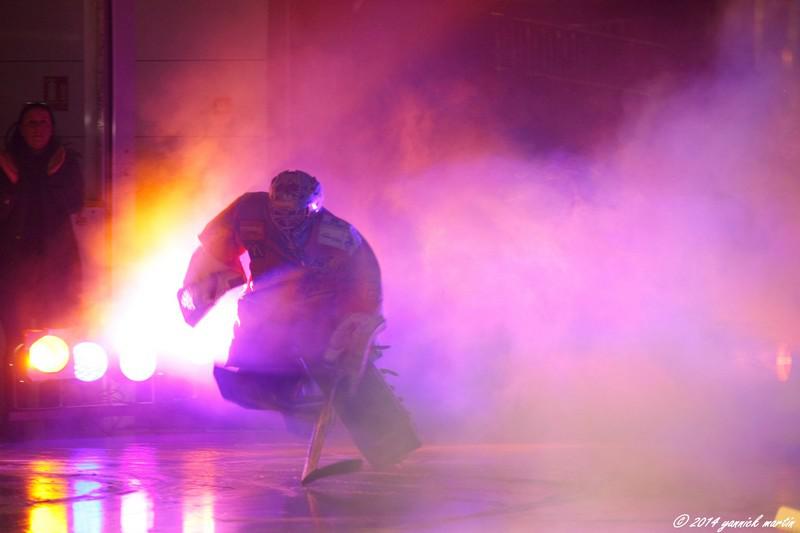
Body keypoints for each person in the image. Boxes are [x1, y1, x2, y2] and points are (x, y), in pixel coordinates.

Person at [178, 170, 419, 467]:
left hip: (322, 311)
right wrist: (201, 289)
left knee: (346, 374)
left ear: (312, 209)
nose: (286, 220)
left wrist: (359, 327)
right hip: (266, 306)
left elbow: (366, 280)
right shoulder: (249, 212)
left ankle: (389, 442)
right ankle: (300, 402)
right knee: (245, 376)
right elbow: (215, 247)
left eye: (294, 213)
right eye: (279, 211)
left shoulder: (339, 236)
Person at [0, 102, 84, 427]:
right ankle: (13, 409)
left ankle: (53, 411)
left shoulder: (65, 163)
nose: (38, 129)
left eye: (44, 123)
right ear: (20, 128)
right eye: (32, 123)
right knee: (15, 335)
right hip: (14, 263)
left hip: (56, 263)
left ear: (52, 128)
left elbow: (74, 202)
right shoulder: (5, 163)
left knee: (57, 333)